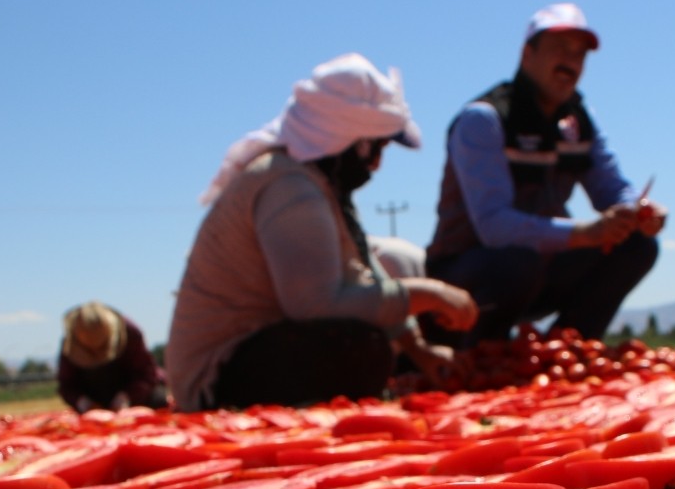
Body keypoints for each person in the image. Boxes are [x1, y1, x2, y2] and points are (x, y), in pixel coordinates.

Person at [166, 53, 476, 412]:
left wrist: (417, 349)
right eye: (375, 147)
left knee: (367, 339)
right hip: (216, 376)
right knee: (358, 347)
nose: (376, 164)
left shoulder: (316, 183)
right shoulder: (289, 186)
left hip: (252, 352)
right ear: (351, 141)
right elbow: (317, 306)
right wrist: (428, 294)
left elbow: (361, 275)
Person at [423, 2, 667, 348]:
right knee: (516, 261)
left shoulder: (578, 121)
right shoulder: (484, 119)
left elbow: (611, 187)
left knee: (637, 246)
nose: (571, 62)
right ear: (527, 54)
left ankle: (568, 352)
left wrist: (638, 212)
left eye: (580, 54)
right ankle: (482, 355)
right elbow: (494, 228)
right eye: (559, 48)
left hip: (537, 269)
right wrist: (587, 232)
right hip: (469, 273)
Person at [56, 301, 168, 412]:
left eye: (101, 347)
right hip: (94, 395)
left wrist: (128, 396)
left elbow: (147, 374)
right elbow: (66, 384)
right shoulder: (69, 343)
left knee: (158, 400)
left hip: (132, 390)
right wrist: (82, 402)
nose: (96, 353)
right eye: (89, 350)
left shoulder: (131, 332)